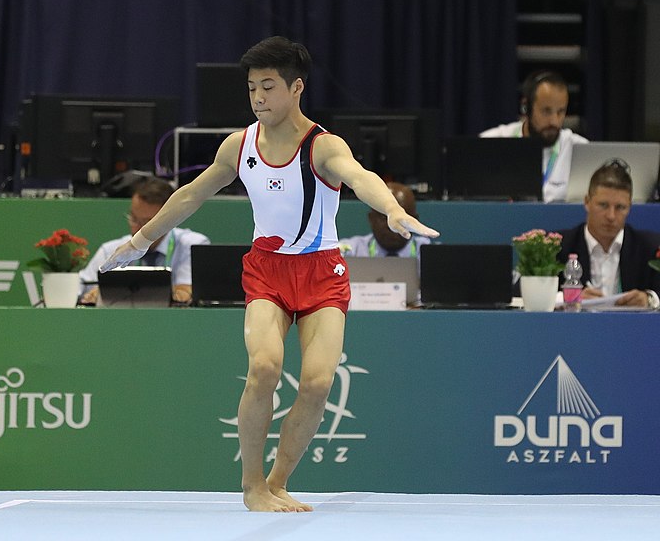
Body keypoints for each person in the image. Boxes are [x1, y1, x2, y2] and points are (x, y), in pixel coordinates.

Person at [100, 36, 440, 511]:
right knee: (263, 367)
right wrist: (139, 242)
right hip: (267, 270)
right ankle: (251, 485)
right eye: (252, 88)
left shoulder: (323, 146)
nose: (258, 97)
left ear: (296, 87)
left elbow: (360, 177)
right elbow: (189, 195)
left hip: (323, 272)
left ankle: (277, 482)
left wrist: (390, 210)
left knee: (319, 382)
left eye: (269, 87)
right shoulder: (240, 146)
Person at [78, 176, 210, 305]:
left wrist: (119, 293)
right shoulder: (110, 250)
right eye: (134, 218)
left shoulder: (192, 245)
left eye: (148, 223)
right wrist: (96, 294)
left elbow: (186, 292)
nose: (137, 229)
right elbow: (82, 290)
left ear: (169, 220)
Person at [557, 160, 660, 309]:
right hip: (575, 329)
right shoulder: (558, 246)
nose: (611, 216)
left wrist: (650, 299)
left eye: (620, 207)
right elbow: (518, 292)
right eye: (603, 205)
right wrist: (568, 297)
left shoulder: (650, 248)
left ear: (630, 207)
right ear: (587, 202)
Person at [480, 70, 588, 203]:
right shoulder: (490, 143)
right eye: (546, 111)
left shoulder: (581, 150)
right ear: (526, 107)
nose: (554, 121)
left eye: (561, 111)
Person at [338, 181, 431, 259]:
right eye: (383, 217)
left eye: (402, 219)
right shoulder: (348, 252)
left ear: (415, 221)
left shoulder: (431, 256)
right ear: (371, 218)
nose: (392, 226)